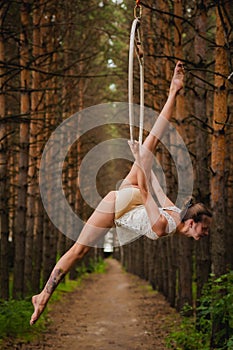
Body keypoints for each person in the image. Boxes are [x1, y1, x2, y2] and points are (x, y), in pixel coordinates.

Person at [30, 61, 212, 325]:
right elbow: (150, 195)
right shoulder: (167, 224)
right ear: (192, 222)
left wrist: (144, 160)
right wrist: (142, 160)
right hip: (122, 203)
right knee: (79, 249)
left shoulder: (173, 214)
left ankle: (173, 91)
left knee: (151, 143)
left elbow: (153, 190)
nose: (203, 235)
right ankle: (43, 296)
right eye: (203, 230)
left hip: (131, 196)